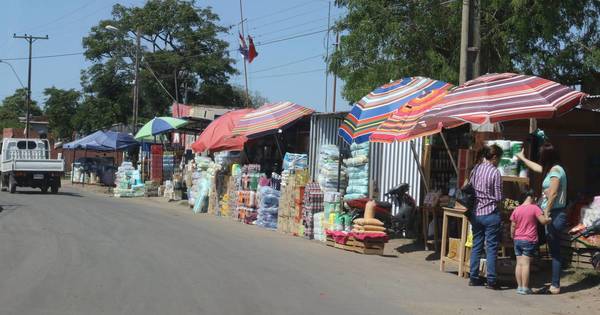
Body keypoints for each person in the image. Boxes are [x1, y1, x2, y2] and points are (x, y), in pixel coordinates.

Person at [516, 142, 567, 294]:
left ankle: (555, 285)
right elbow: (537, 168)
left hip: (555, 214)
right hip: (552, 213)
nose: (540, 159)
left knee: (555, 250)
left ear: (547, 156)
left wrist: (545, 213)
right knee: (550, 248)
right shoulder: (551, 169)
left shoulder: (557, 171)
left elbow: (553, 194)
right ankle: (552, 283)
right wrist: (523, 158)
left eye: (541, 156)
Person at [468, 144, 503, 289]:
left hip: (476, 213)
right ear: (494, 157)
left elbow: (470, 187)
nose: (499, 162)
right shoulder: (495, 173)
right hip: (491, 213)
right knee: (491, 248)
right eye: (499, 159)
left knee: (476, 245)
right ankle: (491, 280)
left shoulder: (476, 169)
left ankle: (473, 277)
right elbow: (499, 197)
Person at [510, 191, 551, 295]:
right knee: (526, 264)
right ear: (532, 197)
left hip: (517, 239)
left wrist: (512, 236)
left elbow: (513, 226)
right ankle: (525, 288)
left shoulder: (517, 209)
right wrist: (548, 219)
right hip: (529, 239)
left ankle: (519, 287)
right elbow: (543, 221)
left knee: (519, 264)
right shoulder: (535, 208)